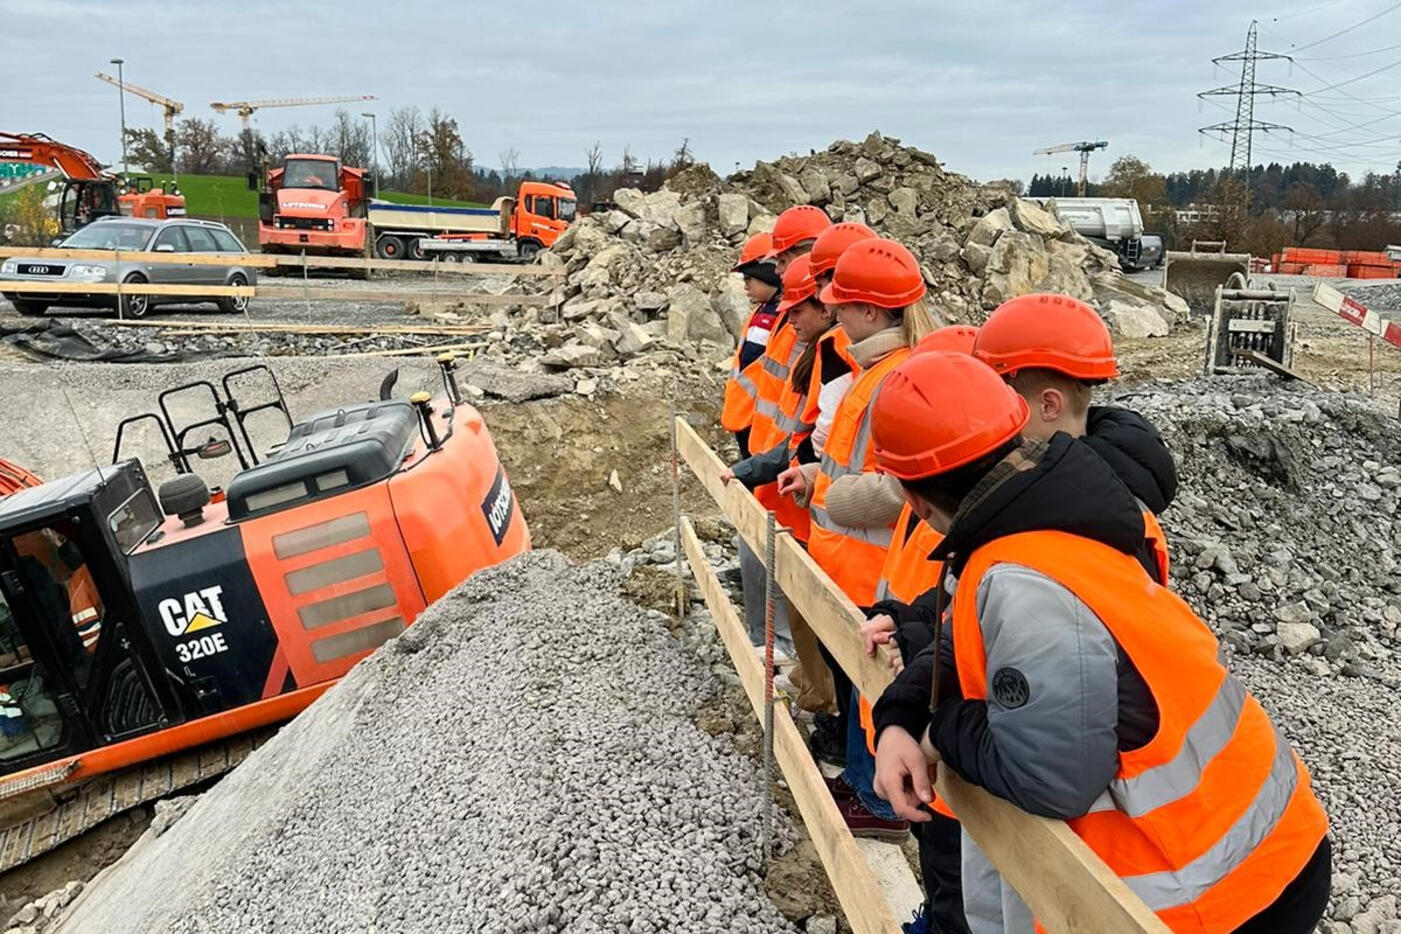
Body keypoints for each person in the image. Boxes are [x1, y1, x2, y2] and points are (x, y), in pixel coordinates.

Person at [869, 351, 1331, 934]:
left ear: (913, 499)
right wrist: (900, 715)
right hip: (1261, 843)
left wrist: (941, 730)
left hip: (1220, 893)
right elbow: (961, 641)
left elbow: (1051, 780)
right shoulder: (1043, 513)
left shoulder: (1021, 582)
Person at [776, 237, 936, 839]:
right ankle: (861, 780)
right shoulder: (873, 374)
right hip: (849, 563)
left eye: (842, 305)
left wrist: (825, 494)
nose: (832, 311)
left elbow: (899, 486)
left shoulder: (894, 379)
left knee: (874, 691)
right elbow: (851, 464)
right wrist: (815, 474)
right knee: (856, 683)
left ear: (871, 312)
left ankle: (874, 798)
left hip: (870, 570)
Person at [721, 232, 783, 459]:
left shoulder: (768, 317)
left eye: (749, 279)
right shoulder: (767, 312)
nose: (746, 286)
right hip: (751, 415)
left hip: (754, 417)